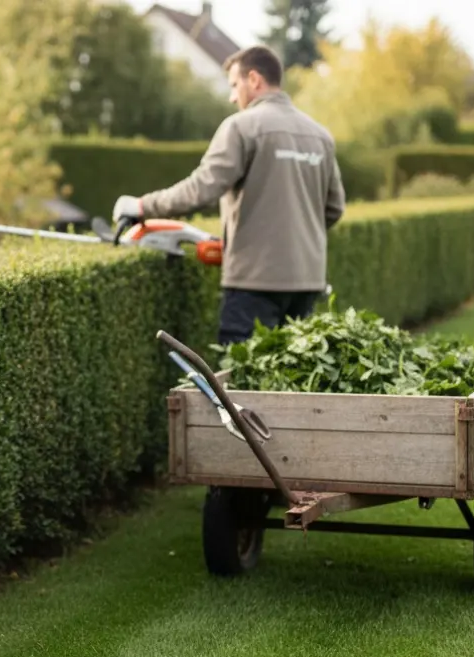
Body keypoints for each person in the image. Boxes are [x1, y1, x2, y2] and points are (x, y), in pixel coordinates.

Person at [112, 44, 346, 574]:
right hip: (305, 281)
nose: (233, 94)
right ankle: (292, 477)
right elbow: (333, 209)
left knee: (237, 391)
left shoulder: (243, 128)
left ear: (256, 80)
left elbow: (204, 185)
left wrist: (141, 206)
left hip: (252, 284)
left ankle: (243, 495)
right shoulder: (319, 135)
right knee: (291, 380)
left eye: (235, 84)